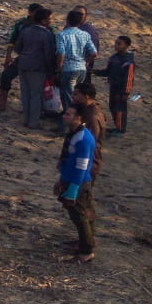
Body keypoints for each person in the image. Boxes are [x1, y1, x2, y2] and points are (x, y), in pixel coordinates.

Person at [57, 105, 98, 261]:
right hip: (71, 180)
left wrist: (72, 191)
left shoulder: (83, 139)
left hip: (78, 184)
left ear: (78, 118)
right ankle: (86, 241)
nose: (64, 116)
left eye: (68, 114)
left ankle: (86, 251)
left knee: (79, 216)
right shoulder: (74, 134)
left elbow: (81, 167)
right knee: (83, 214)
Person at [14, 7, 58, 128]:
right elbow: (48, 54)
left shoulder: (26, 30)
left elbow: (17, 48)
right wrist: (52, 70)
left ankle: (26, 119)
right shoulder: (47, 34)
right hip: (38, 67)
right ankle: (33, 121)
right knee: (36, 94)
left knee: (25, 93)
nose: (51, 21)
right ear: (43, 21)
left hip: (23, 64)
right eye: (49, 19)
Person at [0, 3, 40, 114]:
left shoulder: (44, 25)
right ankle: (2, 101)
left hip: (36, 59)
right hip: (24, 57)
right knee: (6, 75)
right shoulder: (21, 24)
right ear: (30, 12)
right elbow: (12, 40)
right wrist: (8, 56)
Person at [54, 9, 99, 111]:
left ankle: (67, 125)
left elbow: (61, 53)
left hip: (68, 69)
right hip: (81, 70)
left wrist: (58, 69)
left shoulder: (62, 35)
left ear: (67, 20)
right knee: (78, 97)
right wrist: (85, 61)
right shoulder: (85, 35)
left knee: (68, 99)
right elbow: (94, 53)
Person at [99, 35, 136, 135]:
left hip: (121, 89)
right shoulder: (113, 58)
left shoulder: (128, 62)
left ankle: (120, 129)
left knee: (120, 109)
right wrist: (95, 72)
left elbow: (129, 78)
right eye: (116, 43)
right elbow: (107, 71)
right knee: (112, 106)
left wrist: (126, 92)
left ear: (127, 46)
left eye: (119, 44)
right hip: (113, 86)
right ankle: (117, 126)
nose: (116, 45)